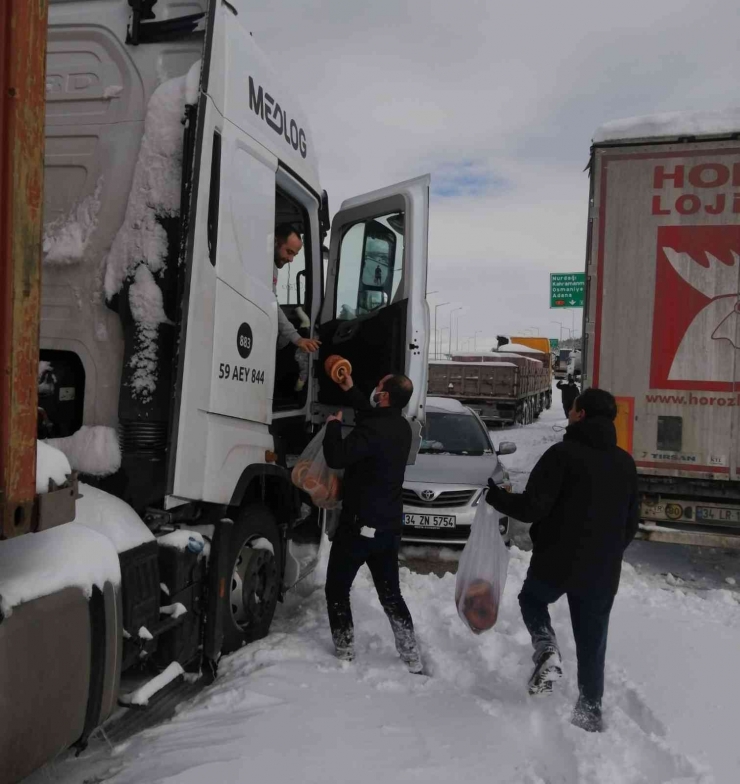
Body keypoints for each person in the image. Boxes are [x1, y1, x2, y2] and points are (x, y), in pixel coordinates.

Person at [485, 388, 638, 732]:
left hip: (556, 560)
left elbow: (533, 507)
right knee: (592, 639)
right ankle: (589, 712)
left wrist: (497, 497)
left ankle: (546, 646)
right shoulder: (624, 462)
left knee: (532, 600)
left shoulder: (561, 455)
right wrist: (609, 550)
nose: (569, 411)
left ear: (581, 414)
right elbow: (631, 523)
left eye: (574, 408)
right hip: (602, 569)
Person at [322, 370, 423, 674]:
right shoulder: (402, 427)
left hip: (358, 527)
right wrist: (351, 387)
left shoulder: (371, 431)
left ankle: (345, 647)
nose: (374, 389)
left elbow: (337, 457)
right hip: (389, 527)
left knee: (337, 589)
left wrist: (333, 427)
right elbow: (372, 416)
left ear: (385, 397)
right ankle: (410, 654)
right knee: (391, 593)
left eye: (378, 386)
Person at [273, 224, 319, 397]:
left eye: (295, 255)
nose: (291, 259)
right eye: (289, 252)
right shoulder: (265, 267)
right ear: (275, 242)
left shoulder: (272, 268)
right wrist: (297, 338)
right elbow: (272, 305)